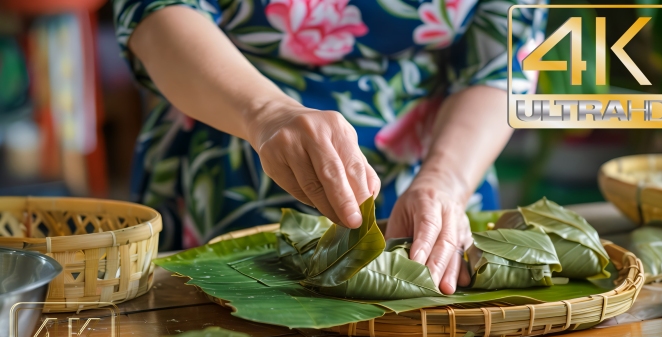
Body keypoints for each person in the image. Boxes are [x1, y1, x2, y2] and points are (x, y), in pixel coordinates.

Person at [113, 0, 547, 294]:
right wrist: (266, 112)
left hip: (446, 161)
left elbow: (504, 58)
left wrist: (444, 180)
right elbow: (156, 12)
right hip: (230, 145)